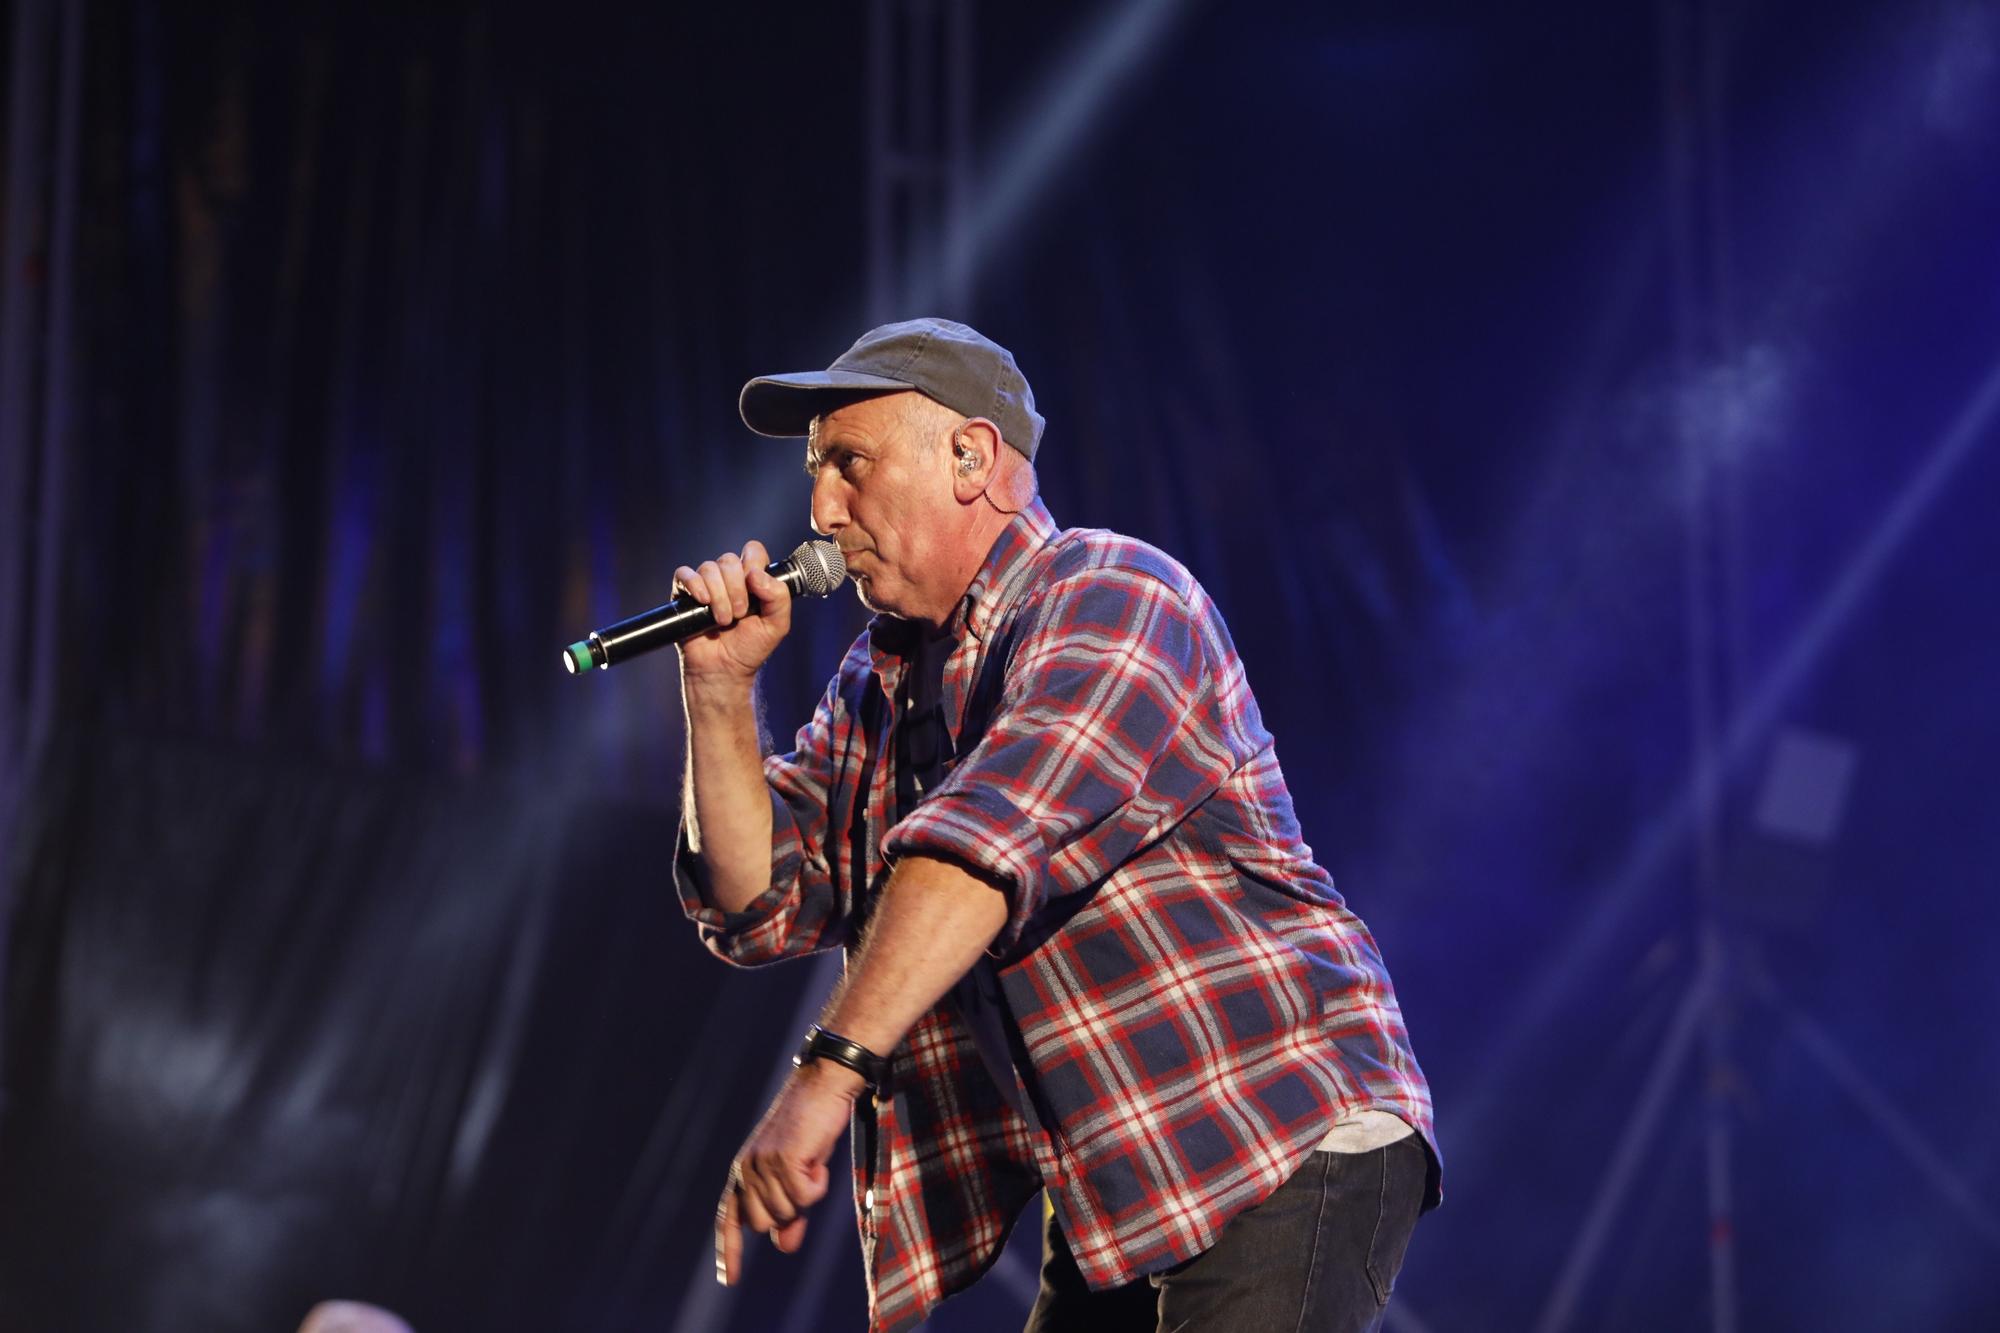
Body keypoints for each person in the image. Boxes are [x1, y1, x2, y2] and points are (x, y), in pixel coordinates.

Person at [673, 318, 1439, 1333]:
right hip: (1122, 1191)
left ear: (970, 457)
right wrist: (720, 689)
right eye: (817, 473)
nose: (819, 508)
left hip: (1275, 1130)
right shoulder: (881, 678)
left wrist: (823, 1083)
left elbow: (981, 848)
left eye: (848, 464)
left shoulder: (1111, 593)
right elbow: (756, 900)